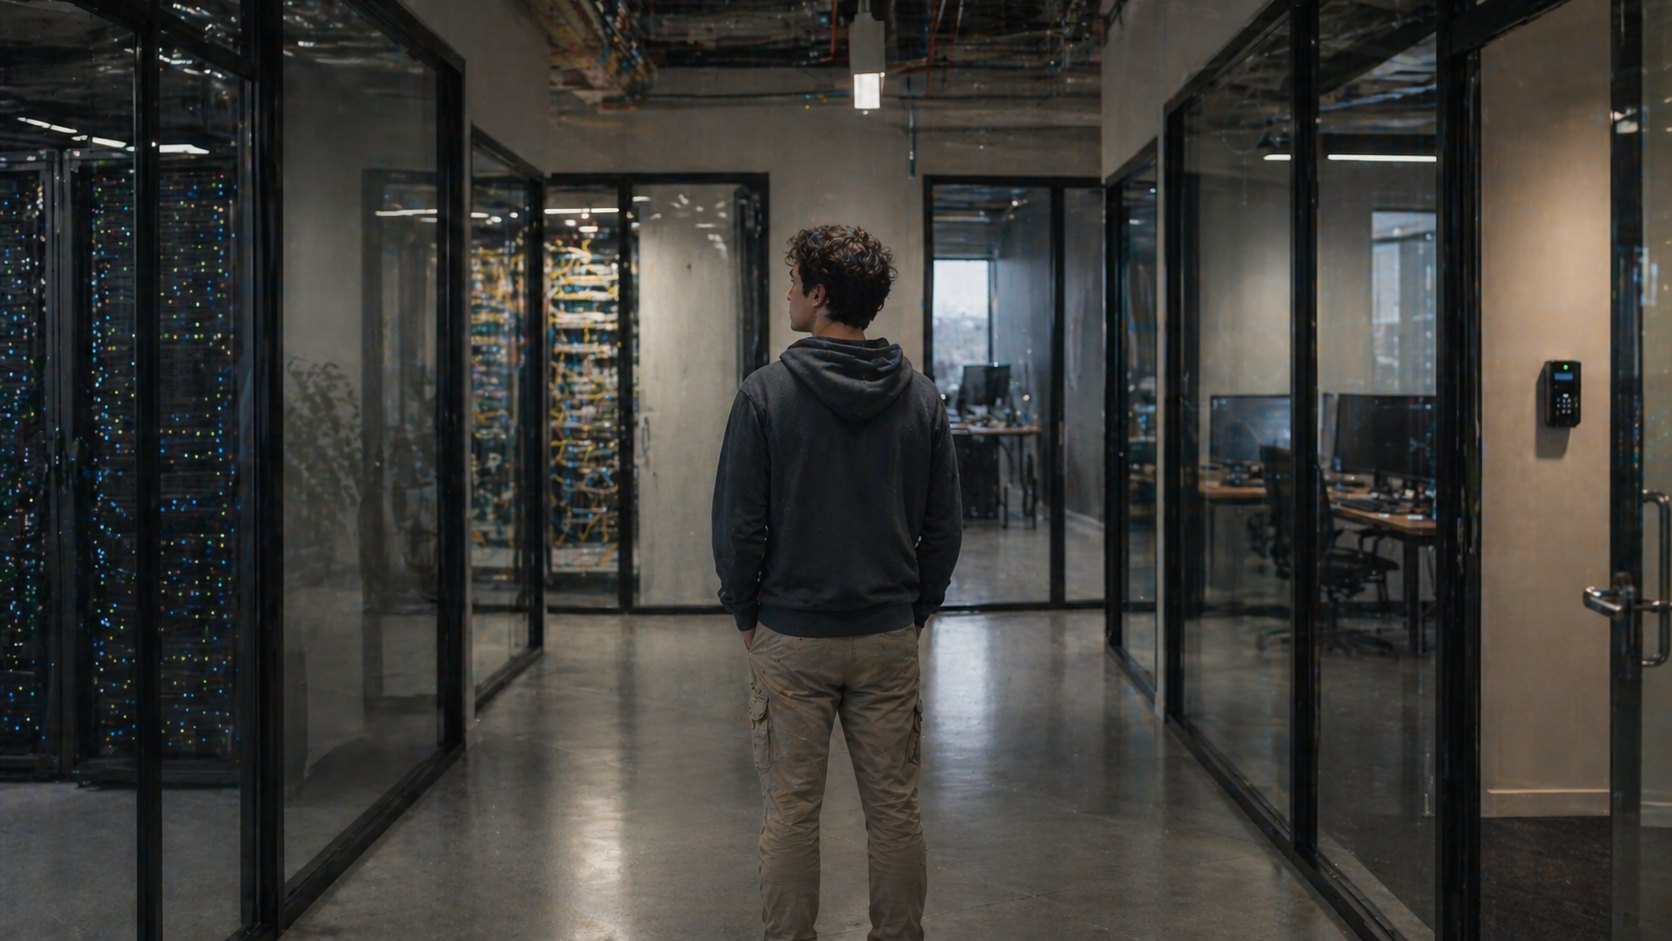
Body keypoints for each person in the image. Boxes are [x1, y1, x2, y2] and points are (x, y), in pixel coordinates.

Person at [712, 224, 963, 941]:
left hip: (792, 636)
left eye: (795, 280)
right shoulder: (921, 399)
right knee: (894, 811)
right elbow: (943, 528)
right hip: (885, 636)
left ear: (820, 294)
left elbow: (738, 525)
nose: (788, 291)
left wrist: (747, 613)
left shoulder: (765, 395)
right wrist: (914, 612)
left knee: (791, 811)